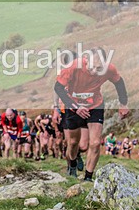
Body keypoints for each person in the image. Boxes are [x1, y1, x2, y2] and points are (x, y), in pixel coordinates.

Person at [54, 47, 129, 181]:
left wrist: (123, 103)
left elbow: (119, 82)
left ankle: (88, 177)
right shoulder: (73, 67)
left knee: (94, 143)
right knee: (73, 142)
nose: (95, 72)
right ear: (85, 60)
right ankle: (72, 164)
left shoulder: (109, 69)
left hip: (95, 105)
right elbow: (58, 88)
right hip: (73, 106)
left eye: (99, 68)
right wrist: (76, 107)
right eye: (92, 67)